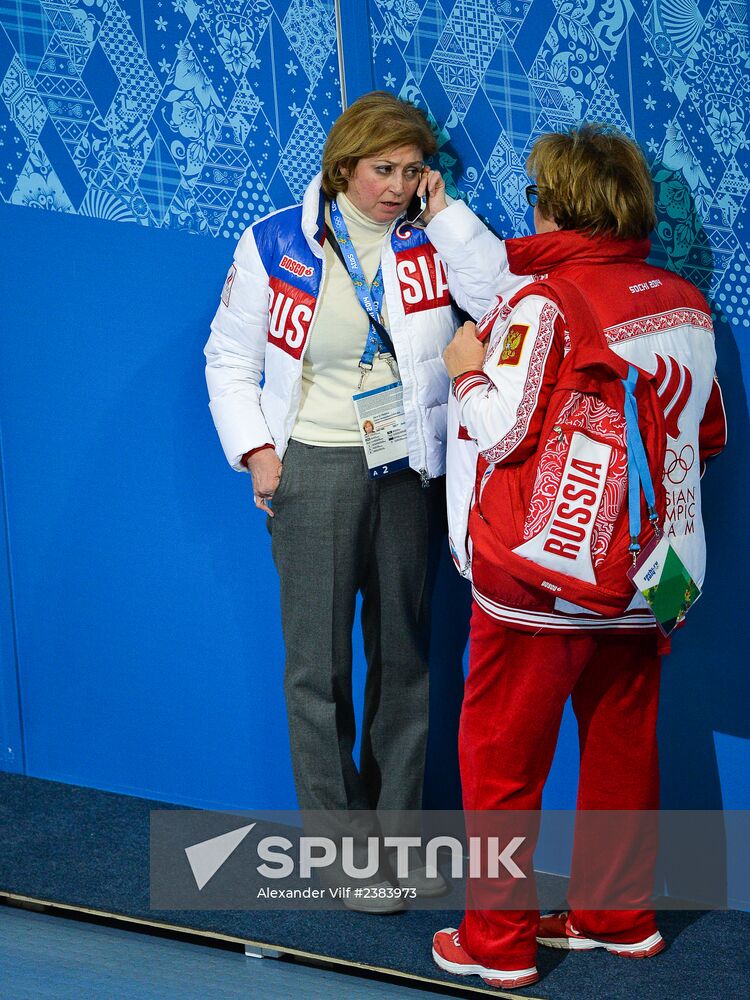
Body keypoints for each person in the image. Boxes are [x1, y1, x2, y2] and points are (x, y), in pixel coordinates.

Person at [427, 125, 726, 987]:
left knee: (501, 762)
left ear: (558, 202)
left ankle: (498, 947)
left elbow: (503, 429)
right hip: (653, 574)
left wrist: (465, 366)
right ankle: (617, 919)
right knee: (623, 749)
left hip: (542, 579)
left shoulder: (546, 302)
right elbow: (709, 435)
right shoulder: (684, 302)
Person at [204, 91, 502, 912]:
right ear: (344, 167)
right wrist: (260, 454)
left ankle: (396, 848)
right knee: (318, 671)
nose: (397, 187)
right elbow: (227, 355)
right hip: (316, 470)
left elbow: (504, 300)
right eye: (382, 170)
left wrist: (452, 216)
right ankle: (343, 855)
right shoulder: (276, 242)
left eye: (412, 171)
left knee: (405, 663)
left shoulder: (432, 240)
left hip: (410, 474)